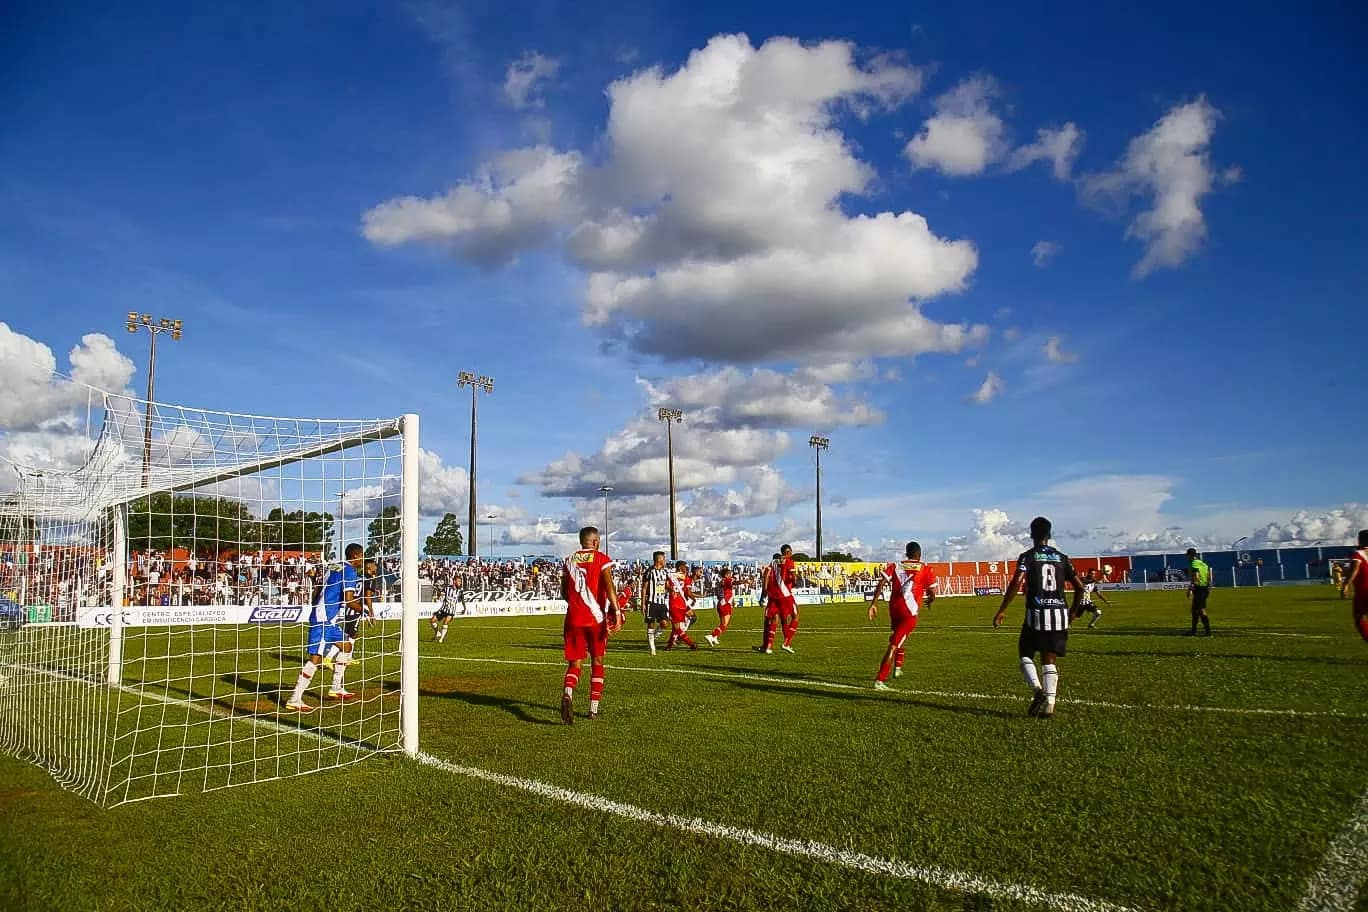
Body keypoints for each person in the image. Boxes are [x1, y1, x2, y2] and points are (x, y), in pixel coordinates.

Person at [993, 517, 1083, 719]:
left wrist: (1002, 609)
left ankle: (1037, 690)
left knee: (1025, 653)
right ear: (1049, 535)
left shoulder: (1028, 557)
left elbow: (1017, 582)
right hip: (1059, 614)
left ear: (1031, 534)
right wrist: (1073, 612)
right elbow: (1080, 587)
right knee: (1049, 659)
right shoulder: (1062, 558)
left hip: (1037, 614)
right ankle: (1050, 704)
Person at [285, 543, 364, 711]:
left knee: (347, 645)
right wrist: (364, 610)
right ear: (356, 556)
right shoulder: (350, 571)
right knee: (315, 658)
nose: (363, 559)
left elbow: (319, 588)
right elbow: (349, 599)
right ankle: (295, 698)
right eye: (362, 555)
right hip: (324, 617)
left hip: (326, 616)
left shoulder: (334, 566)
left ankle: (336, 688)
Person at [559, 526, 619, 724]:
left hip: (574, 618)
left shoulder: (569, 561)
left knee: (575, 663)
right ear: (595, 541)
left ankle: (568, 693)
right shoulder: (601, 558)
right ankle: (593, 709)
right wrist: (617, 612)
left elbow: (563, 592)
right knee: (597, 661)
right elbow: (609, 585)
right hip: (595, 618)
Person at [866, 541, 937, 690]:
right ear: (920, 554)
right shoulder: (925, 569)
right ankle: (880, 680)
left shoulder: (896, 566)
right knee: (894, 644)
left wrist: (873, 603)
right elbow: (932, 593)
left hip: (894, 609)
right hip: (909, 612)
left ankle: (897, 669)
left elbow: (881, 583)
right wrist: (930, 600)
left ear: (906, 553)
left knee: (899, 638)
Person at [759, 545, 797, 654]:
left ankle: (768, 646)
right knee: (793, 616)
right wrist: (794, 581)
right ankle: (786, 643)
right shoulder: (789, 561)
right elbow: (793, 577)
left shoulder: (772, 565)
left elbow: (766, 580)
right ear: (789, 552)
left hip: (773, 596)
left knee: (773, 620)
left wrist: (763, 595)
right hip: (784, 594)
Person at [639, 551, 671, 655]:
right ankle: (652, 647)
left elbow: (666, 585)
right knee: (651, 624)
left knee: (664, 624)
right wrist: (643, 603)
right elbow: (644, 588)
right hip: (651, 602)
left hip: (661, 602)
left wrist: (670, 589)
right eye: (664, 559)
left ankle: (654, 636)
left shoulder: (665, 572)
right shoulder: (649, 572)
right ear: (659, 559)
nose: (665, 561)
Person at [1339, 529, 1368, 642]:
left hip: (1364, 592)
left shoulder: (1358, 554)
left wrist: (1346, 584)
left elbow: (1355, 570)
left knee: (1359, 618)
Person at [664, 560, 699, 651]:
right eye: (685, 567)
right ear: (680, 567)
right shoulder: (686, 578)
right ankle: (672, 645)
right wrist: (694, 598)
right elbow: (688, 592)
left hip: (675, 604)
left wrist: (670, 589)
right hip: (681, 604)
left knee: (676, 628)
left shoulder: (671, 576)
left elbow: (666, 586)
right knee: (676, 628)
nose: (686, 569)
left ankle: (688, 644)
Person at [705, 566, 735, 646]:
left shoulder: (720, 582)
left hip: (721, 603)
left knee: (723, 623)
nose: (730, 575)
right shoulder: (726, 580)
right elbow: (735, 582)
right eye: (729, 574)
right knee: (724, 624)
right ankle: (712, 635)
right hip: (725, 604)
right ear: (726, 575)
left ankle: (715, 637)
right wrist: (744, 581)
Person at [1186, 547, 1212, 636]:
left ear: (1189, 555)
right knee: (1195, 610)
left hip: (1199, 588)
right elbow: (1209, 576)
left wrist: (1190, 588)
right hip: (1205, 588)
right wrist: (1208, 587)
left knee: (1199, 610)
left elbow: (1196, 577)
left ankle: (1207, 632)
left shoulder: (1193, 564)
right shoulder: (1203, 564)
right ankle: (1194, 630)